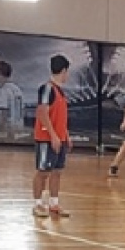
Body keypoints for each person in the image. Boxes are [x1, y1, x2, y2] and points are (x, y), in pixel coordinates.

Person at [32, 55, 73, 219]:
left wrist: (65, 135)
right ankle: (37, 204)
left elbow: (59, 117)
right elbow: (42, 112)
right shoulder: (47, 89)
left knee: (57, 171)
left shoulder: (60, 91)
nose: (67, 75)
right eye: (67, 72)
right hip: (46, 139)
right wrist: (53, 135)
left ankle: (54, 204)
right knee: (43, 172)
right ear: (63, 71)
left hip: (59, 138)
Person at [0, 61, 25, 130]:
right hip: (19, 126)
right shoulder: (17, 89)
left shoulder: (3, 90)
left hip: (8, 128)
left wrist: (1, 130)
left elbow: (3, 113)